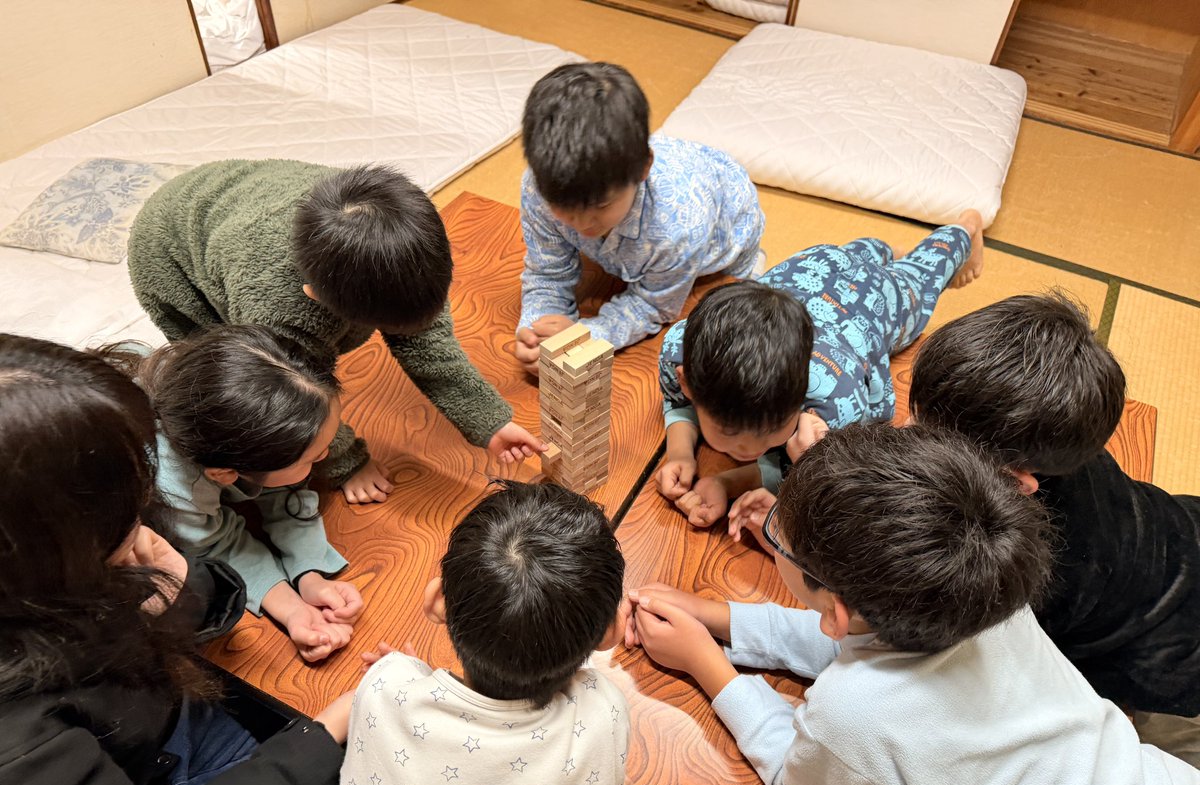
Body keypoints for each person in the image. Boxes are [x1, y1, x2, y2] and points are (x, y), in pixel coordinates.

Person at [628, 424, 1200, 785]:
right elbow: (859, 640)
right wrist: (722, 618)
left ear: (836, 609)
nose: (771, 529)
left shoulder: (857, 713)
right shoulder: (987, 590)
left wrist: (709, 667)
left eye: (779, 536)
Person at [0, 332, 354, 785]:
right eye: (135, 503)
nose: (150, 508)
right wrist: (323, 737)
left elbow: (205, 569)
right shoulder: (22, 755)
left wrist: (183, 587)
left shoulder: (67, 581)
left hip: (155, 726)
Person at [127, 159, 544, 505]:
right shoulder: (276, 308)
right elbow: (293, 403)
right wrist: (347, 463)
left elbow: (427, 340)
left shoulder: (396, 239)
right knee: (239, 388)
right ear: (315, 296)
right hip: (168, 253)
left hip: (237, 201)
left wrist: (488, 420)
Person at [909, 291, 1200, 762]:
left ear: (1016, 483)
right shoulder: (1049, 437)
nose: (906, 431)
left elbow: (973, 675)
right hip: (1177, 529)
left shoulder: (1028, 568)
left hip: (1172, 661)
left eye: (927, 436)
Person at [340, 480, 637, 785]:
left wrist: (407, 676)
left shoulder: (383, 687)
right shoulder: (601, 713)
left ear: (436, 601)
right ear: (611, 633)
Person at [655, 212, 985, 533]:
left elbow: (825, 464)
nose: (748, 450)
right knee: (856, 254)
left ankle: (965, 227)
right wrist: (680, 452)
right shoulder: (680, 350)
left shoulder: (836, 399)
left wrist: (728, 482)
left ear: (803, 391)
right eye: (729, 430)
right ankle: (882, 252)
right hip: (815, 264)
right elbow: (677, 400)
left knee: (922, 275)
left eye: (773, 428)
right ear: (687, 381)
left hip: (873, 300)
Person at [513, 62, 764, 367]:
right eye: (563, 208)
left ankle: (752, 264)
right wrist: (538, 330)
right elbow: (548, 272)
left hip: (723, 240)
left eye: (601, 206)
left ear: (644, 167)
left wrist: (588, 337)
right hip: (652, 245)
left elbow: (653, 304)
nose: (582, 223)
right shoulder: (538, 188)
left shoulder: (680, 226)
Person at [138, 325, 364, 663]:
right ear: (227, 474)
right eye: (312, 457)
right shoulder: (177, 491)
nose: (326, 455)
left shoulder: (231, 424)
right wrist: (291, 608)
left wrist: (309, 574)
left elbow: (281, 487)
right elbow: (219, 546)